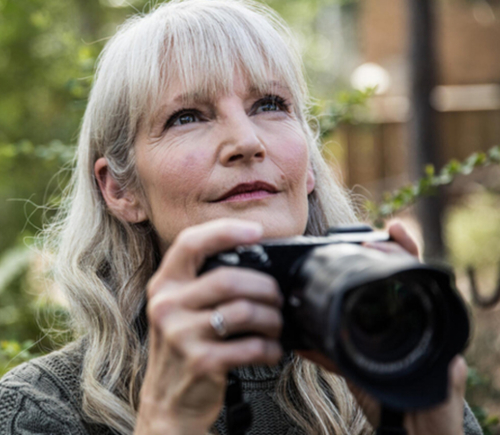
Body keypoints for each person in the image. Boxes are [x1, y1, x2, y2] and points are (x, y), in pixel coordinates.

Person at [0, 1, 482, 434]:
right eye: (187, 116)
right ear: (120, 189)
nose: (248, 141)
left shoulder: (402, 358)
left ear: (309, 166)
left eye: (270, 105)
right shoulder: (43, 409)